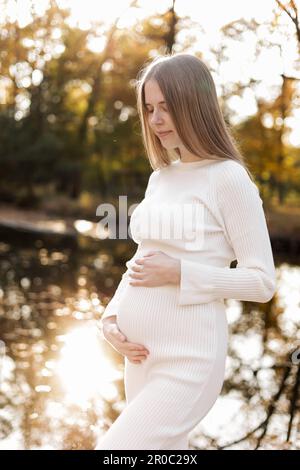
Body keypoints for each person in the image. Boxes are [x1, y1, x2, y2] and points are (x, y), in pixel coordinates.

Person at [95, 53, 276, 450]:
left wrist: (181, 273)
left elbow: (262, 282)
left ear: (193, 106)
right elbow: (141, 260)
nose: (155, 119)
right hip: (139, 357)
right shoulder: (162, 177)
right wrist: (110, 318)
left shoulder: (228, 178)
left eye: (166, 107)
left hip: (188, 360)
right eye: (149, 108)